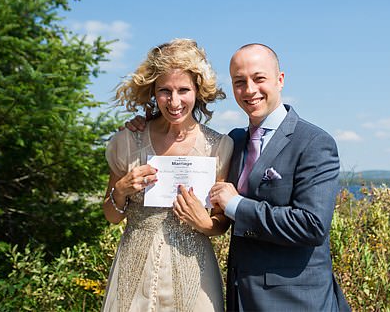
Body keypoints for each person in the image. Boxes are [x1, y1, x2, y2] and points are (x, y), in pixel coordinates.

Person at [126, 43, 349, 311]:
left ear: (280, 80)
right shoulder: (235, 140)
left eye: (259, 78)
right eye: (239, 82)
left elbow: (311, 225)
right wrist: (149, 125)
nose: (249, 90)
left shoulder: (314, 142)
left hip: (296, 301)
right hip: (240, 296)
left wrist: (236, 205)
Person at [102, 38, 232, 311]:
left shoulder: (218, 147)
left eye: (183, 90)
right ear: (153, 91)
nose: (174, 101)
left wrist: (205, 224)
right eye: (165, 91)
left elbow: (221, 221)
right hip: (134, 270)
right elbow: (111, 216)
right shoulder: (127, 141)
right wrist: (122, 190)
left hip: (194, 274)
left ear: (198, 90)